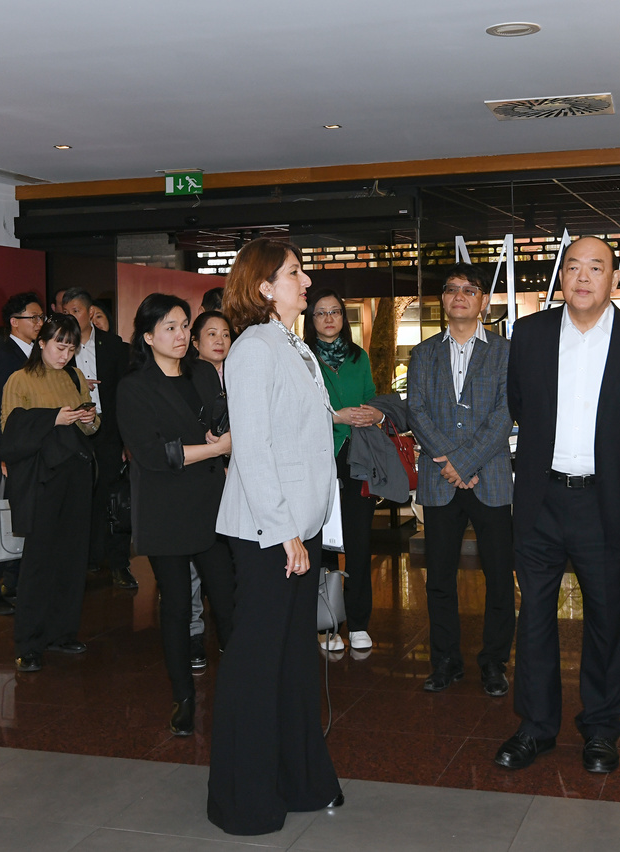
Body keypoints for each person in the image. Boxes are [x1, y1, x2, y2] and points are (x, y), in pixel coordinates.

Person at [496, 236, 620, 773]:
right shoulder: (530, 334)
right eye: (573, 267)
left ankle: (600, 729)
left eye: (596, 268)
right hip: (541, 499)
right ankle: (535, 727)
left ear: (613, 279)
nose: (582, 277)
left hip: (605, 502)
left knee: (608, 618)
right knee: (534, 617)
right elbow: (519, 404)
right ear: (562, 276)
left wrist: (612, 459)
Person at [208, 238, 343, 835]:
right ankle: (243, 798)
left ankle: (299, 781)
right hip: (268, 531)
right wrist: (283, 531)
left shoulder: (295, 345)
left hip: (298, 527)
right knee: (257, 663)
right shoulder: (253, 349)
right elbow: (254, 448)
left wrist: (311, 527)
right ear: (264, 286)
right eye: (294, 272)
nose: (306, 280)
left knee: (293, 662)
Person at [117, 294, 235, 735]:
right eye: (170, 327)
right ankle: (183, 696)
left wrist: (219, 438)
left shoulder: (201, 373)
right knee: (177, 606)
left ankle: (242, 689)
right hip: (165, 507)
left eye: (185, 325)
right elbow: (153, 455)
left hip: (210, 503)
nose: (182, 334)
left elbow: (220, 422)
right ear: (148, 337)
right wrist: (216, 448)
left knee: (227, 598)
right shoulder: (134, 387)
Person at [407, 263, 514, 695]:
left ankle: (494, 662)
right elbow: (417, 411)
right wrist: (450, 462)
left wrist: (464, 463)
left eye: (470, 290)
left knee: (500, 577)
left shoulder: (506, 352)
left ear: (483, 301)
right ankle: (446, 662)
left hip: (489, 479)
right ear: (442, 300)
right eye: (452, 289)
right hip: (440, 480)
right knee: (439, 579)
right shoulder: (423, 353)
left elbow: (506, 413)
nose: (460, 296)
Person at [0, 314, 98, 673]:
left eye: (71, 349)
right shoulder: (20, 379)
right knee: (39, 559)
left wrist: (88, 419)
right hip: (41, 475)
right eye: (59, 346)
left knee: (72, 555)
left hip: (75, 472)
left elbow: (93, 425)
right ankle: (29, 642)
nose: (64, 355)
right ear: (41, 343)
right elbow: (10, 430)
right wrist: (52, 419)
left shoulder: (74, 377)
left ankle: (62, 632)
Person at [303, 288, 381, 652]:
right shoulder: (301, 358)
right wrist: (336, 417)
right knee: (322, 544)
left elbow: (371, 397)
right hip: (317, 457)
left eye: (335, 311)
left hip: (357, 457)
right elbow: (297, 410)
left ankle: (359, 622)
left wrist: (372, 413)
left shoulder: (358, 356)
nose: (329, 318)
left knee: (359, 542)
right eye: (321, 313)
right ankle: (328, 623)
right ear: (311, 320)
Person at [60, 288, 136, 589]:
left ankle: (119, 563)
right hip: (74, 431)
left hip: (108, 431)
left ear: (90, 313)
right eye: (65, 312)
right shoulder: (59, 347)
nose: (70, 317)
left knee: (114, 498)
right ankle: (86, 559)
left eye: (75, 311)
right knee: (79, 498)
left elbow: (125, 394)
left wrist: (126, 439)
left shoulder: (113, 345)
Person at [0, 291, 45, 615]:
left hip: (29, 450)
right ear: (15, 322)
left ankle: (13, 584)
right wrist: (4, 452)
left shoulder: (38, 354)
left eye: (42, 317)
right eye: (34, 317)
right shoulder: (4, 356)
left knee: (22, 518)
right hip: (7, 452)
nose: (40, 323)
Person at [186, 308, 233, 668]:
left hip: (235, 477)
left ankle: (231, 632)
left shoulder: (241, 372)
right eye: (212, 334)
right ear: (195, 342)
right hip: (198, 476)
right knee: (192, 564)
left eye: (226, 334)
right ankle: (193, 634)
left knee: (226, 563)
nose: (220, 341)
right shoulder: (186, 377)